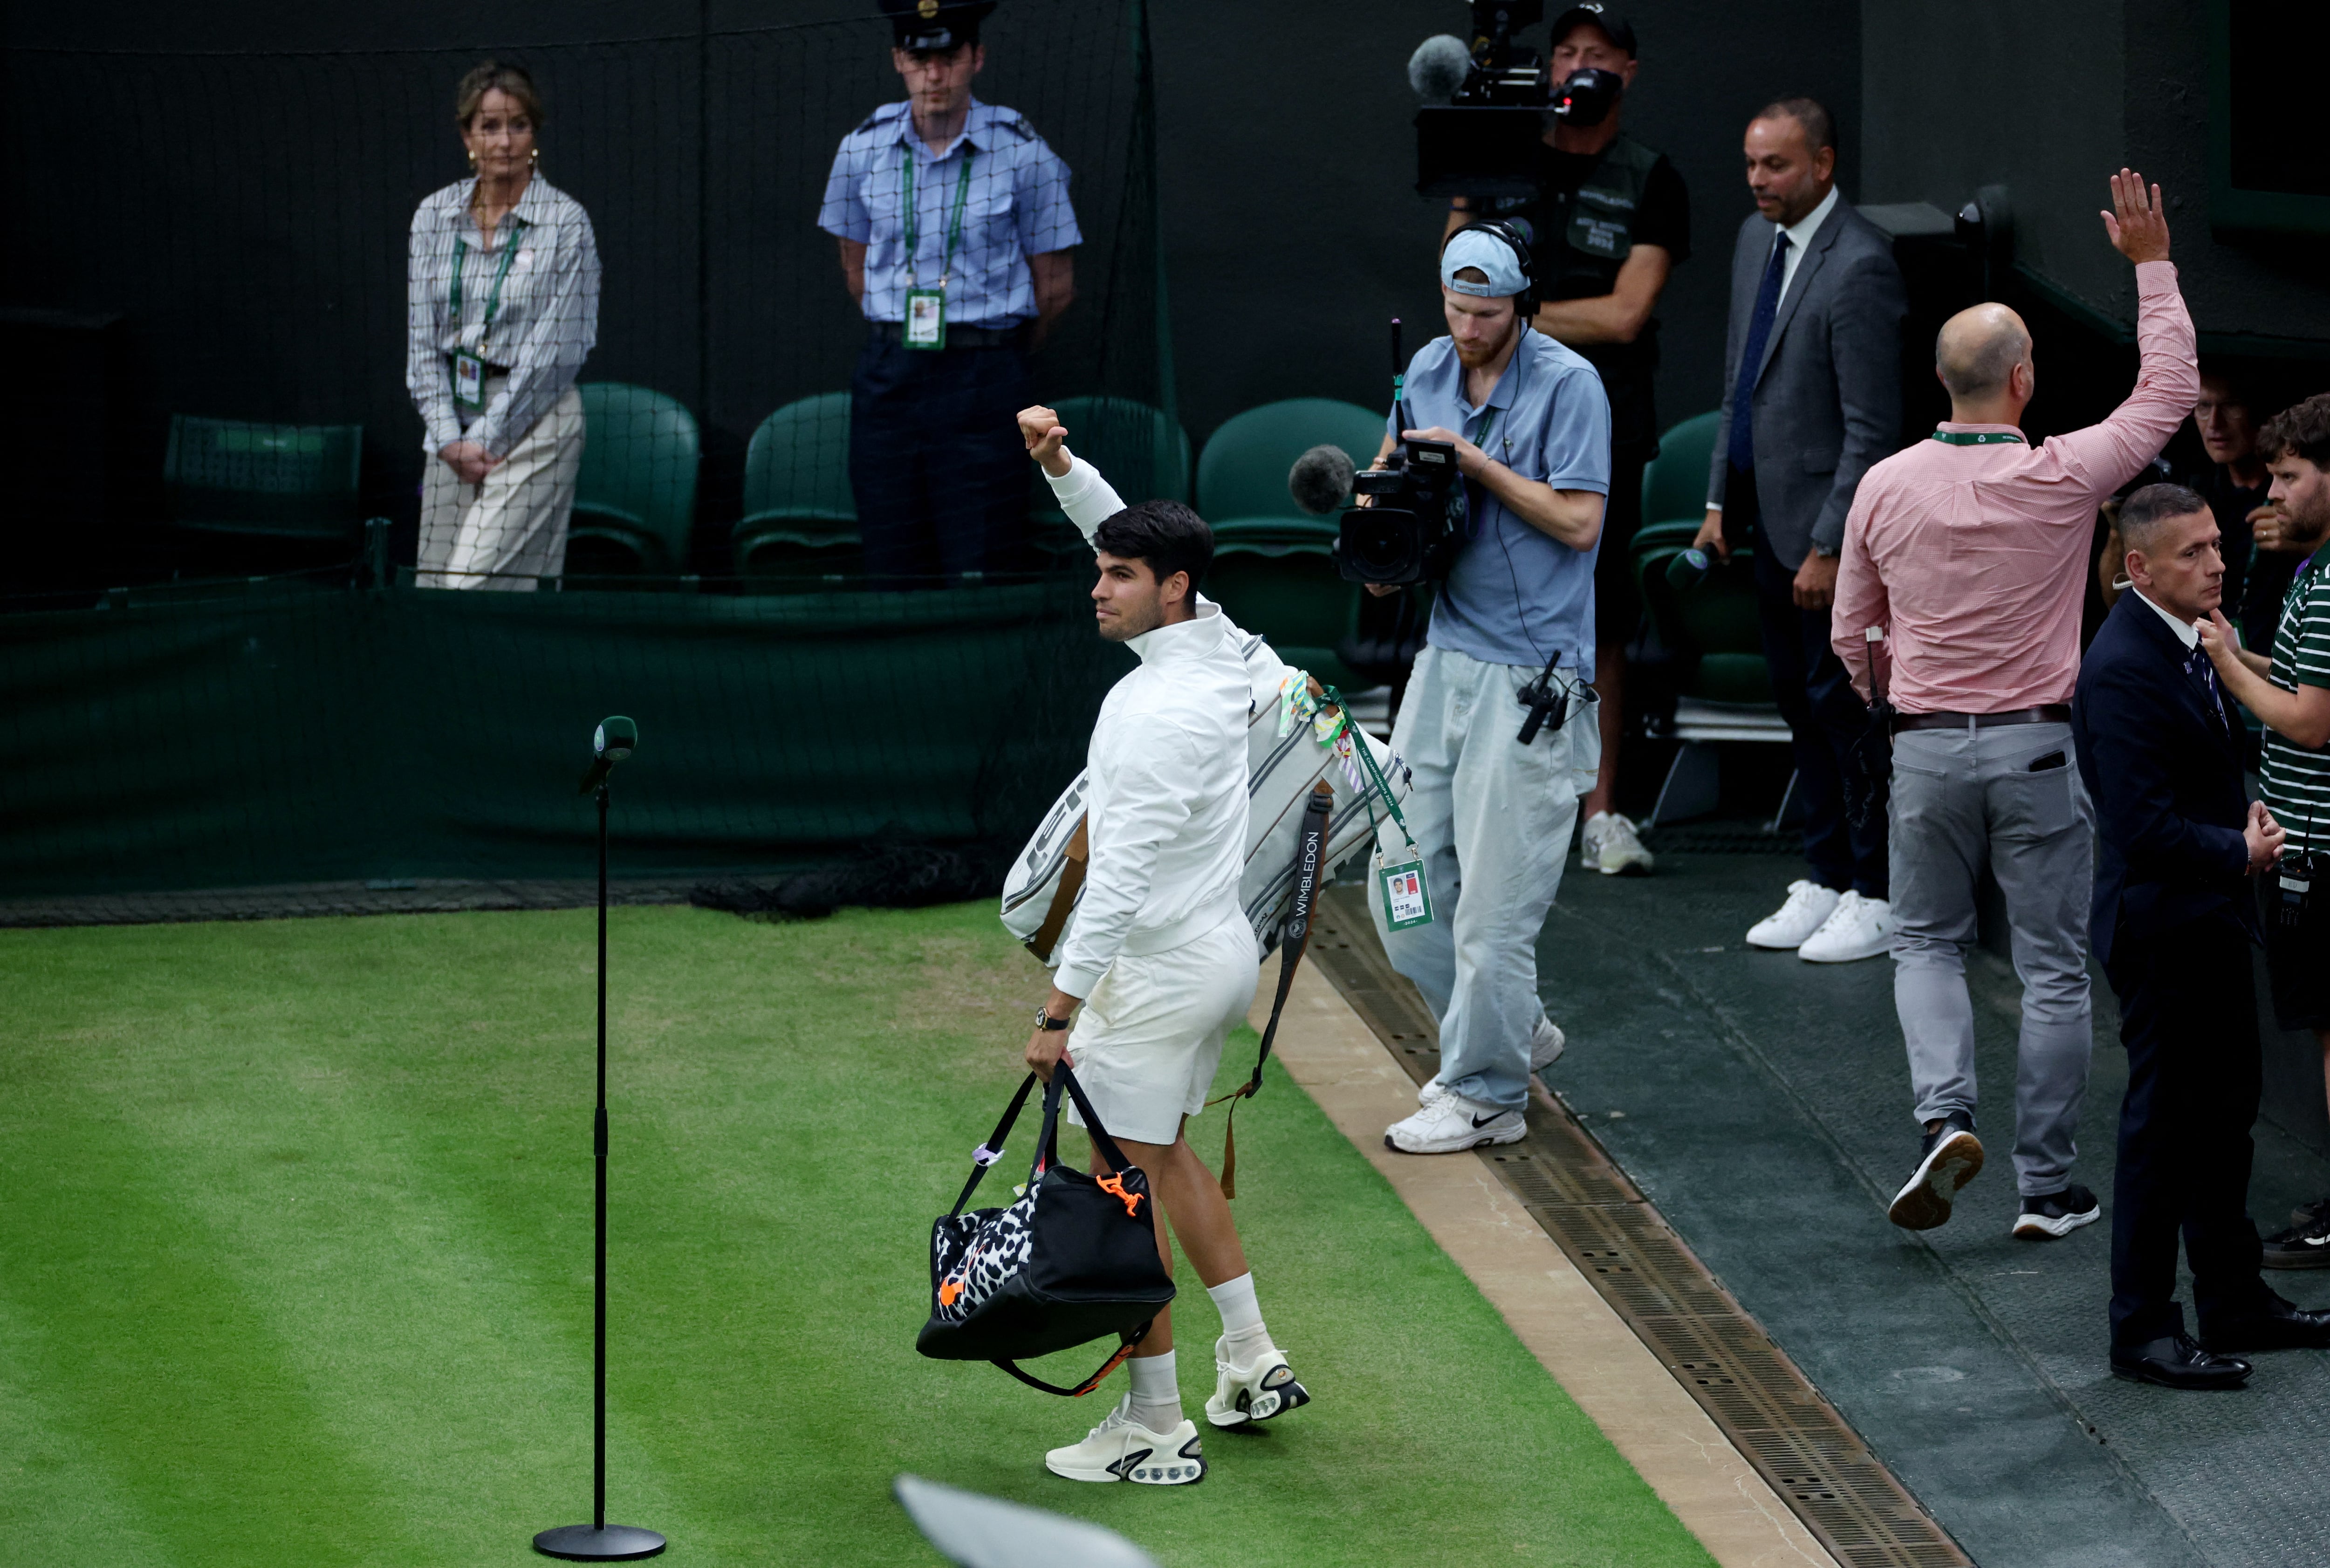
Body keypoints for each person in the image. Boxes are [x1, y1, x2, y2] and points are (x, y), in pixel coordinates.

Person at [1835, 171, 2196, 1239]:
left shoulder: (1884, 485)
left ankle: (1943, 1118)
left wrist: (1893, 703)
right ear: (2024, 379)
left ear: (1941, 380)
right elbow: (2167, 392)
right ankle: (2046, 1188)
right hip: (2040, 752)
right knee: (2049, 969)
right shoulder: (2061, 474)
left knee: (1925, 943)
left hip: (1925, 755)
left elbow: (1853, 632)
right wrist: (2152, 265)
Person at [1014, 412, 1309, 1487]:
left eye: (1120, 576)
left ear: (1170, 589)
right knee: (1166, 1155)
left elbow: (1118, 881)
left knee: (1114, 1193)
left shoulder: (1153, 715)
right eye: (1100, 570)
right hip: (1217, 957)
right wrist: (1065, 471)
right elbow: (1127, 533)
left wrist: (1057, 1014)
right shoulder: (1222, 645)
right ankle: (1249, 1355)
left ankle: (1154, 1426)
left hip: (1155, 976)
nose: (1099, 588)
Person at [1357, 226, 1610, 1155]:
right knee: (1402, 885)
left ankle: (1486, 1091)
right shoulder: (1423, 367)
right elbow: (1393, 483)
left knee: (1493, 908)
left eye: (1487, 313)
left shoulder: (1570, 385)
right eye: (1456, 309)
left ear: (1521, 306)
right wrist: (1383, 543)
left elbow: (1580, 522)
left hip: (1534, 674)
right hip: (1444, 659)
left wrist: (1473, 464)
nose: (1467, 328)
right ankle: (1512, 1024)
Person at [2074, 483, 2330, 1388]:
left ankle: (2234, 1298)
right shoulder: (2125, 666)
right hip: (2162, 932)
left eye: (2215, 545)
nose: (2216, 562)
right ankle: (2141, 1326)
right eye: (2191, 553)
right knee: (2164, 1131)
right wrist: (2242, 845)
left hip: (2208, 922)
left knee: (2224, 1121)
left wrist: (2235, 826)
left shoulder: (2187, 644)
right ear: (2138, 567)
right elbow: (2139, 828)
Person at [1442, 5, 1688, 877]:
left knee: (1598, 613)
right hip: (1487, 411)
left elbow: (1626, 315)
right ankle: (1467, 799)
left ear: (1627, 70)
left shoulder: (1652, 177)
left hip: (1600, 416)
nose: (1578, 67)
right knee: (1468, 580)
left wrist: (1517, 318)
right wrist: (1500, 320)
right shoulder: (1504, 153)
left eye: (1599, 54)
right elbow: (1457, 271)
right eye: (1566, 52)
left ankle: (1602, 810)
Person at [1693, 98, 1905, 963]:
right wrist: (1715, 501)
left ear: (1823, 163)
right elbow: (1739, 383)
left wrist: (1829, 545)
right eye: (1750, 163)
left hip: (1825, 543)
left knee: (1844, 710)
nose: (1757, 181)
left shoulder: (1862, 266)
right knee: (1796, 703)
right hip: (1761, 527)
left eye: (1775, 165)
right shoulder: (1755, 242)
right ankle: (1823, 874)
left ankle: (1878, 889)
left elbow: (1873, 429)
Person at [817, 0, 1079, 585]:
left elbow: (1056, 288)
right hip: (889, 377)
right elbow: (854, 269)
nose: (933, 75)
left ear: (975, 58)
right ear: (897, 60)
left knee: (984, 551)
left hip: (986, 374)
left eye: (947, 57)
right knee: (890, 548)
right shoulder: (861, 150)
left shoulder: (1021, 152)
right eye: (918, 57)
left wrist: (990, 345)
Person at [2197, 392, 2330, 1267]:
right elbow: (2284, 669)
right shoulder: (2316, 574)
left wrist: (2221, 667)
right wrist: (2229, 642)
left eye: (2289, 476)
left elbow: (2311, 720)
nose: (2272, 493)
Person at [407, 61, 600, 590]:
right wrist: (448, 438)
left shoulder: (566, 223)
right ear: (467, 134)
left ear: (534, 131)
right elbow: (420, 347)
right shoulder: (433, 216)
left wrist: (486, 438)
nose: (505, 142)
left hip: (534, 419)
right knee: (431, 590)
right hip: (451, 422)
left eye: (518, 124)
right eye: (489, 126)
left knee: (473, 587)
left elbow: (558, 352)